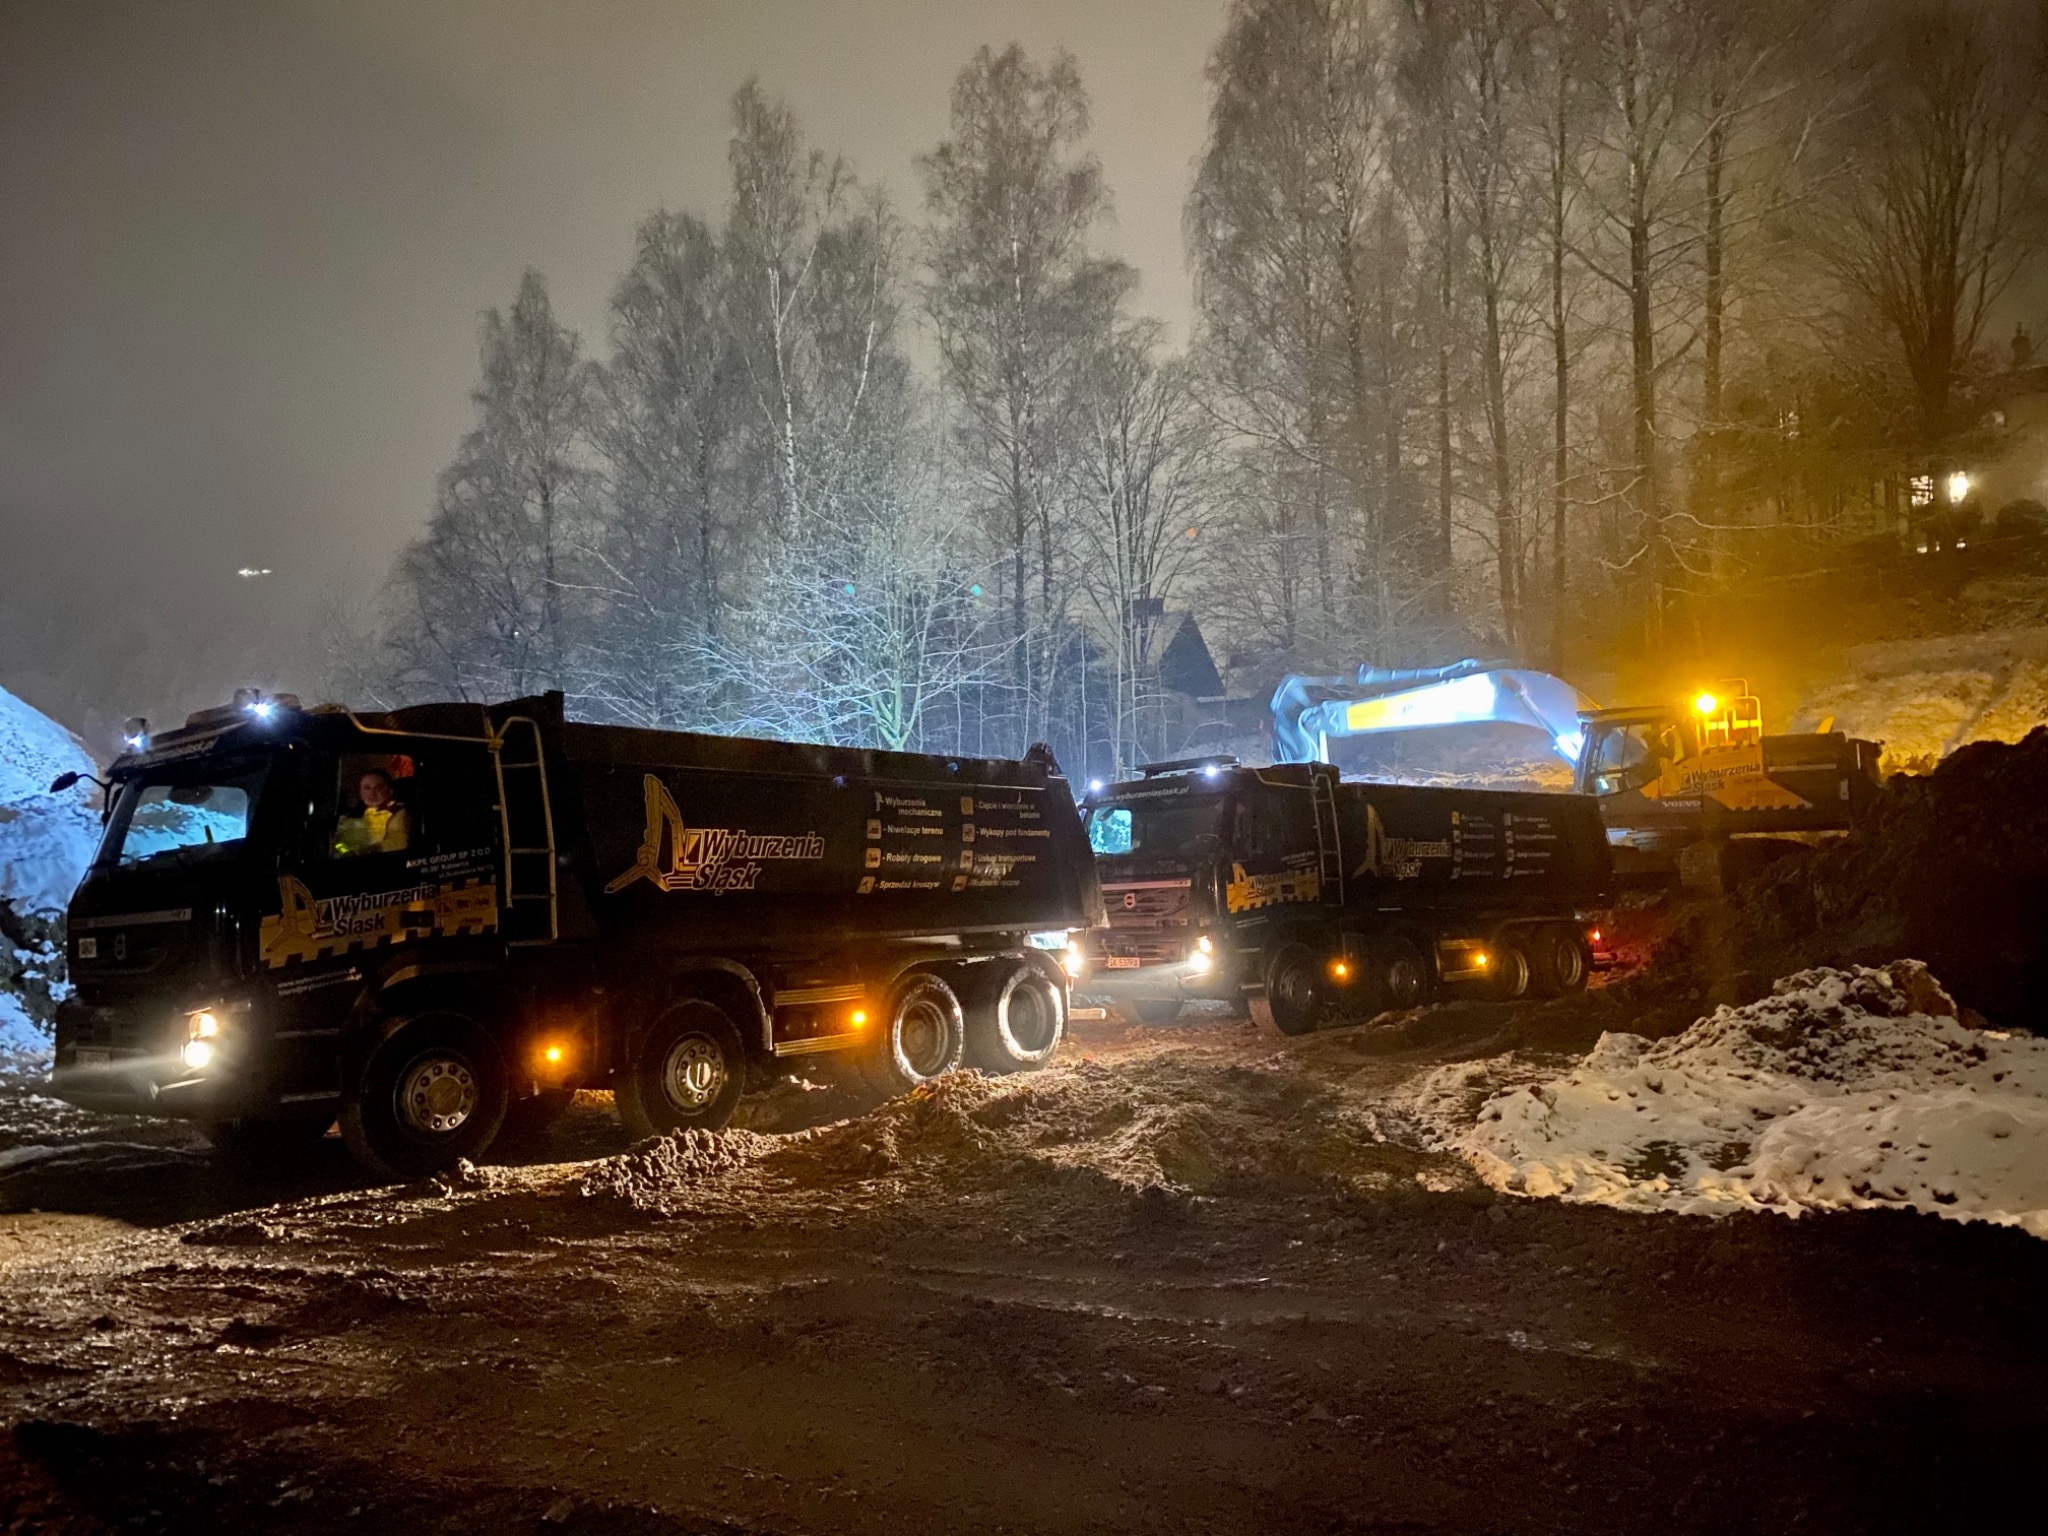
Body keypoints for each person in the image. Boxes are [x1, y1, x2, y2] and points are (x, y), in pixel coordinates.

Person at [335, 768, 411, 855]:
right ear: (360, 791)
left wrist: (362, 852)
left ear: (390, 791)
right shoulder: (348, 815)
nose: (372, 793)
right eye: (367, 788)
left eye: (378, 788)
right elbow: (336, 842)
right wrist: (345, 852)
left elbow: (398, 843)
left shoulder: (397, 812)